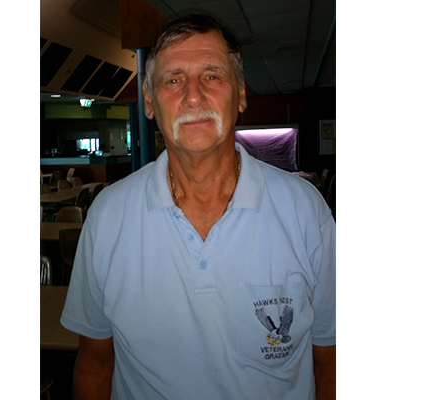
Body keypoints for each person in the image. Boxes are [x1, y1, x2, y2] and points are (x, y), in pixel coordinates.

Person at [60, 13, 335, 400]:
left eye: (212, 76)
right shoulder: (108, 217)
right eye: (173, 80)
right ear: (149, 101)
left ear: (241, 94)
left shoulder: (306, 213)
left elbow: (331, 362)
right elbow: (96, 363)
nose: (193, 96)